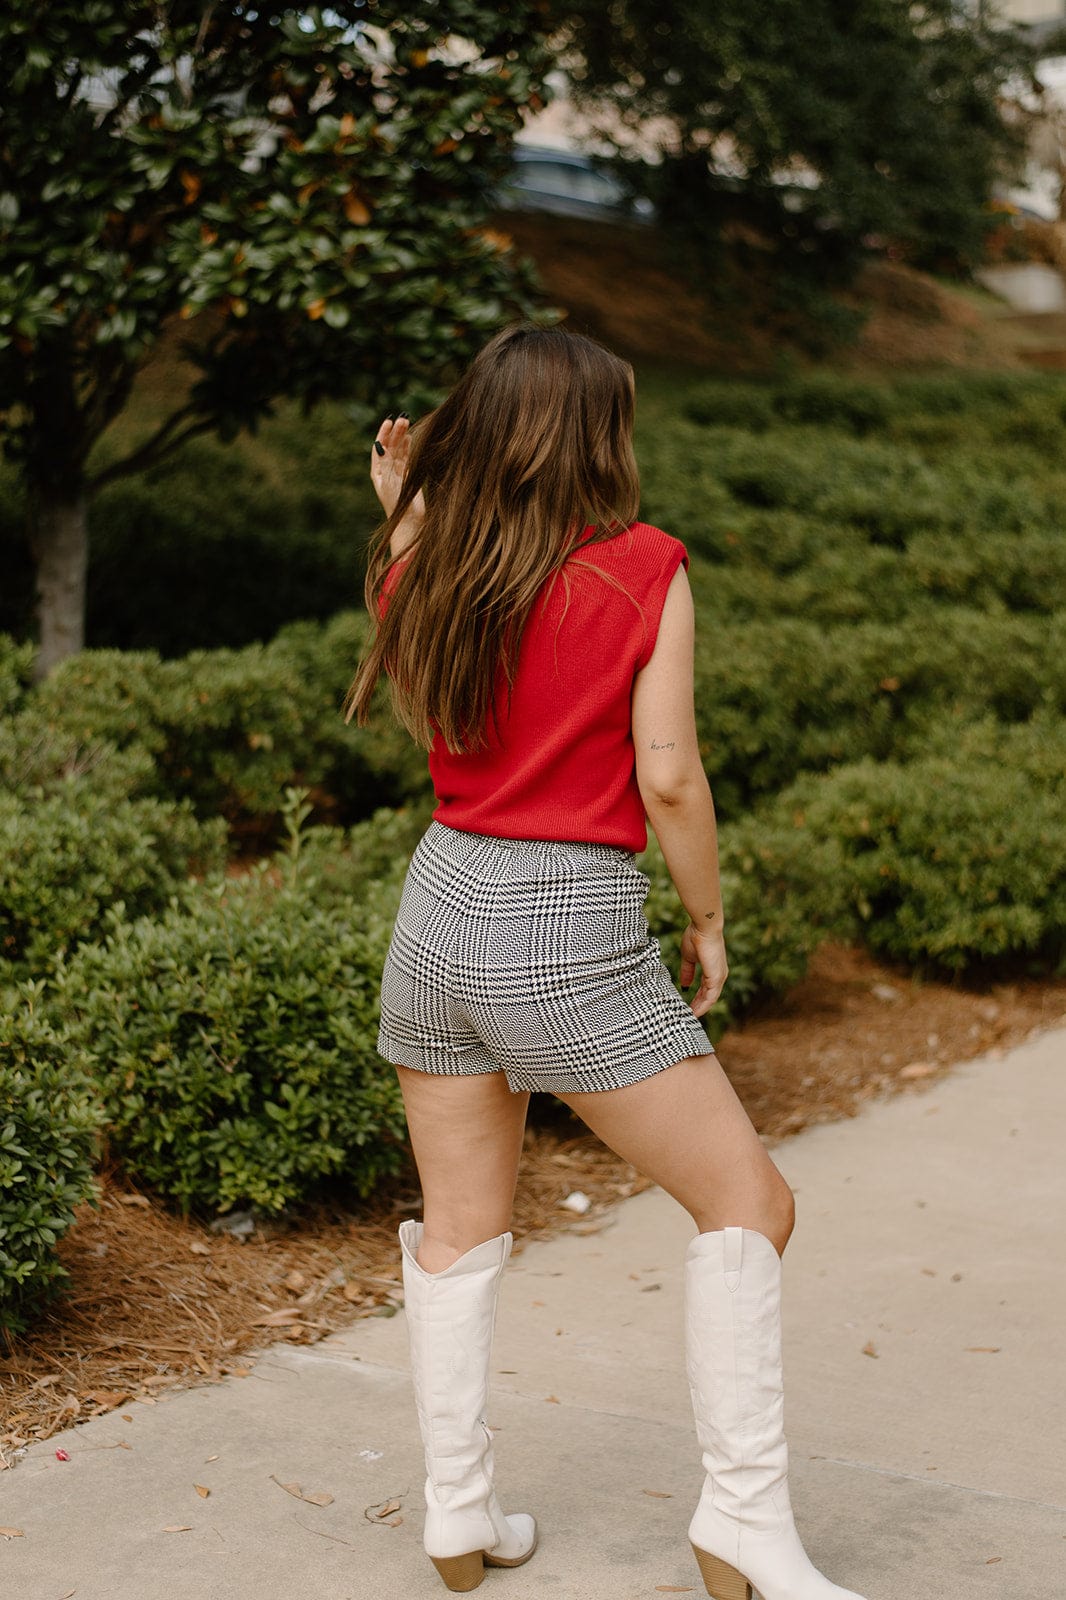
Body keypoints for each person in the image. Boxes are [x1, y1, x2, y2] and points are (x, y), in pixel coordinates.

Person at [345, 324, 867, 1600]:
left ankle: (458, 1514)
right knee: (750, 1205)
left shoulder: (433, 567)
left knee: (461, 1225)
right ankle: (743, 1525)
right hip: (562, 923)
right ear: (597, 436)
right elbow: (670, 777)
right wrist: (708, 918)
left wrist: (404, 511)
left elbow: (420, 586)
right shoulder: (645, 569)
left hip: (437, 908)